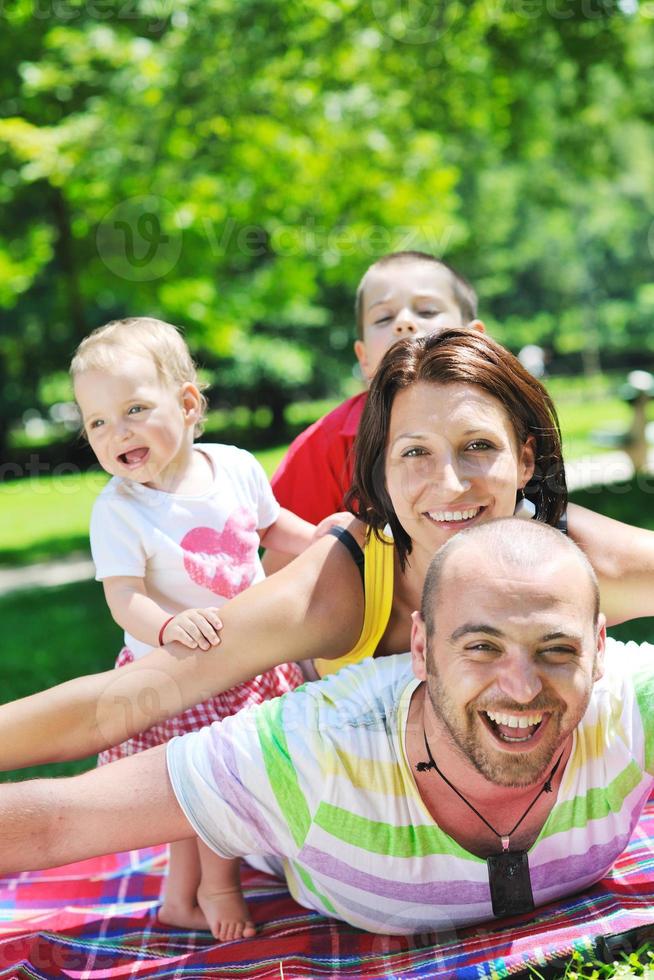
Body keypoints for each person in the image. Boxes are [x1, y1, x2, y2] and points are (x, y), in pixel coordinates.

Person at [1, 329, 653, 867]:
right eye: (414, 453)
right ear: (382, 469)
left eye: (478, 447)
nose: (448, 485)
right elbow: (114, 708)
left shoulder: (582, 562)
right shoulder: (346, 582)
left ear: (526, 457)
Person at [1, 519, 653, 936]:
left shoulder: (628, 703)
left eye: (557, 649)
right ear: (421, 649)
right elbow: (60, 820)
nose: (521, 686)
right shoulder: (311, 751)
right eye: (481, 648)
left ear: (599, 647)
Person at [69, 316, 317, 939]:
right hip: (178, 673)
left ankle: (177, 901)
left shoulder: (233, 468)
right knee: (209, 786)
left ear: (185, 403)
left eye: (132, 409)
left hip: (248, 659)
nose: (114, 432)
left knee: (194, 796)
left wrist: (324, 543)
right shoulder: (119, 509)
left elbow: (272, 528)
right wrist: (170, 625)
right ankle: (218, 886)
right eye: (97, 422)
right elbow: (124, 599)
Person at [263, 250, 484, 573]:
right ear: (363, 356)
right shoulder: (326, 445)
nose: (405, 323)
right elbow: (281, 570)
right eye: (383, 318)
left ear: (476, 338)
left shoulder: (511, 420)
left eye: (427, 310)